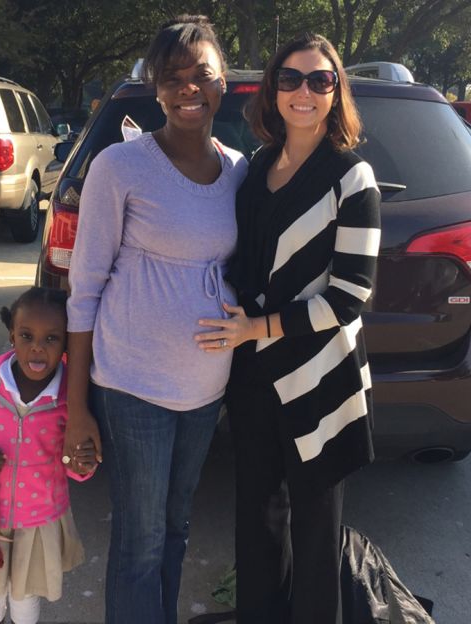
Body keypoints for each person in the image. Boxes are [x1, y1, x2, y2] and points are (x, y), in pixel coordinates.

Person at [62, 15, 249, 624]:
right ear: (154, 86)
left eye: (202, 75)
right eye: (172, 78)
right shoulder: (121, 167)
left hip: (205, 389)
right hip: (133, 384)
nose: (189, 89)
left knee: (176, 527)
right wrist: (78, 404)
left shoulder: (241, 170)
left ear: (224, 82)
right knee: (140, 541)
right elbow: (84, 290)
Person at [195, 32, 382, 623]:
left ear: (336, 92)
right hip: (254, 378)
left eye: (320, 80)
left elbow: (349, 297)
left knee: (316, 532)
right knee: (256, 524)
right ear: (273, 90)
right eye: (290, 78)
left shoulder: (352, 179)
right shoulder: (254, 169)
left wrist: (259, 328)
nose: (304, 91)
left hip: (319, 379)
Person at [0, 287, 97, 624]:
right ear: (12, 336)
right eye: (26, 335)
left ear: (68, 343)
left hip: (39, 520)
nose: (38, 346)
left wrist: (83, 465)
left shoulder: (71, 396)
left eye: (52, 338)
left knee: (25, 600)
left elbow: (77, 460)